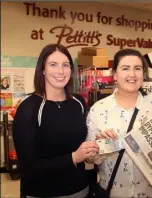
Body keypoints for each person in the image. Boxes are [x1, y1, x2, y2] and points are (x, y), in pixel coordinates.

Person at [12, 44, 99, 198]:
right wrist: (73, 158)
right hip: (42, 193)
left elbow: (80, 141)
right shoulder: (29, 109)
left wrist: (99, 141)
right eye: (53, 65)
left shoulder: (77, 102)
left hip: (80, 190)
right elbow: (29, 167)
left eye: (65, 65)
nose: (60, 71)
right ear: (43, 70)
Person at [86, 48, 152, 198]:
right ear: (115, 74)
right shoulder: (98, 110)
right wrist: (103, 147)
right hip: (114, 193)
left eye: (137, 68)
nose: (132, 74)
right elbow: (89, 159)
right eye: (125, 68)